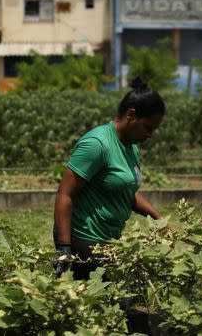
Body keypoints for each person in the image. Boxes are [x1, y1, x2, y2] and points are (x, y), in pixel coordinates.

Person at [53, 77, 165, 279]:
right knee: (119, 300)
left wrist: (158, 218)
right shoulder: (98, 144)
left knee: (121, 297)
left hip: (109, 240)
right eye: (148, 127)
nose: (149, 134)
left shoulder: (131, 147)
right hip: (84, 238)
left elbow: (126, 192)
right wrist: (64, 249)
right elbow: (64, 195)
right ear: (131, 115)